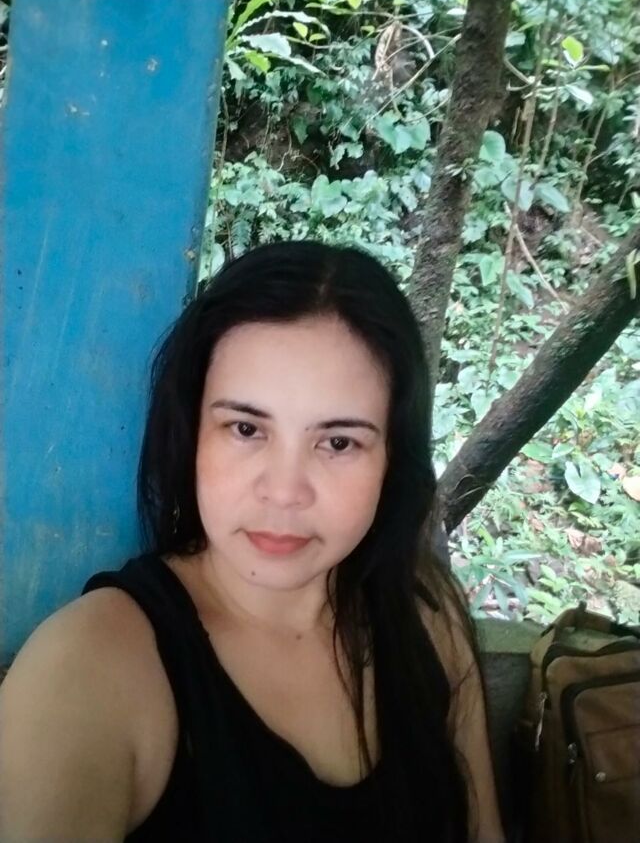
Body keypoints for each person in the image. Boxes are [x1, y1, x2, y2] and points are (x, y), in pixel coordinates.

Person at [0, 241, 505, 842]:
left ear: (392, 457)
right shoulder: (88, 670)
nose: (284, 493)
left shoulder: (427, 615)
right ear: (192, 432)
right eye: (245, 428)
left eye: (338, 442)